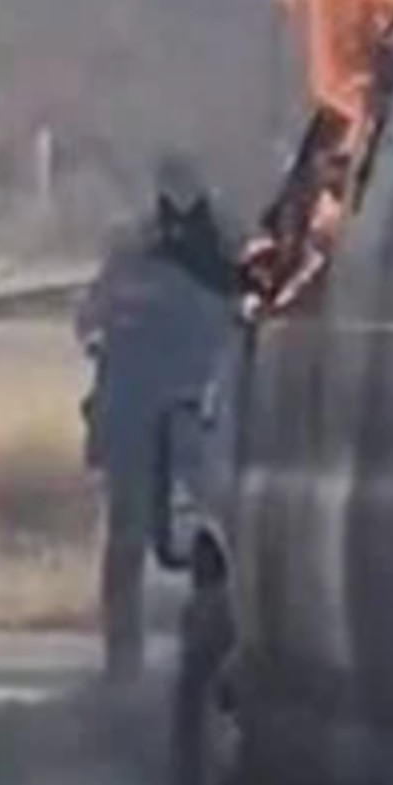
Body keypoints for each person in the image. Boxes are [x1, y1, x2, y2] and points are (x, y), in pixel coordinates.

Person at [77, 152, 237, 686]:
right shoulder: (131, 252)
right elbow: (90, 318)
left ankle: (210, 657)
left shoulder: (224, 247)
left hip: (201, 412)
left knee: (217, 543)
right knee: (127, 538)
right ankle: (122, 661)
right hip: (136, 413)